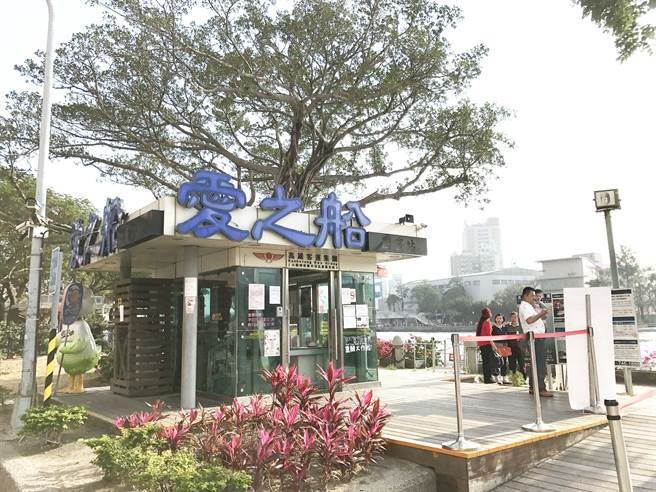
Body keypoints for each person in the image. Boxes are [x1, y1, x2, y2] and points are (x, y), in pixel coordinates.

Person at [518, 286, 553, 397]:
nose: (535, 297)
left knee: (536, 363)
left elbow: (533, 319)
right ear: (525, 295)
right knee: (539, 363)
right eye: (532, 295)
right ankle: (540, 388)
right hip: (535, 338)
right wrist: (541, 314)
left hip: (536, 337)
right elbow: (529, 320)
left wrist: (542, 314)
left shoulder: (528, 306)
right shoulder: (525, 306)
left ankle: (534, 387)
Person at [476, 307, 498, 384]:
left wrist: (478, 345)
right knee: (488, 362)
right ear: (488, 314)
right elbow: (489, 336)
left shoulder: (481, 323)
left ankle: (486, 378)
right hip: (487, 344)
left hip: (482, 345)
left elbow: (479, 334)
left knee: (485, 362)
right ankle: (488, 379)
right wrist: (494, 346)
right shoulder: (487, 323)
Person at [506, 311, 526, 378]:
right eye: (512, 317)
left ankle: (523, 378)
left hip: (520, 348)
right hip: (511, 348)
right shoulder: (507, 326)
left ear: (517, 318)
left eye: (515, 317)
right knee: (512, 364)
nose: (513, 319)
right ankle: (513, 378)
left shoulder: (521, 327)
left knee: (521, 364)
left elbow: (525, 336)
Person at [492, 314, 510, 384]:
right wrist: (494, 346)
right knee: (497, 362)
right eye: (497, 318)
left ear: (503, 320)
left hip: (504, 346)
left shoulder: (505, 328)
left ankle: (504, 377)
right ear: (495, 319)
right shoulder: (493, 328)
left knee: (504, 362)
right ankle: (496, 377)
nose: (499, 320)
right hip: (496, 346)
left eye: (500, 318)